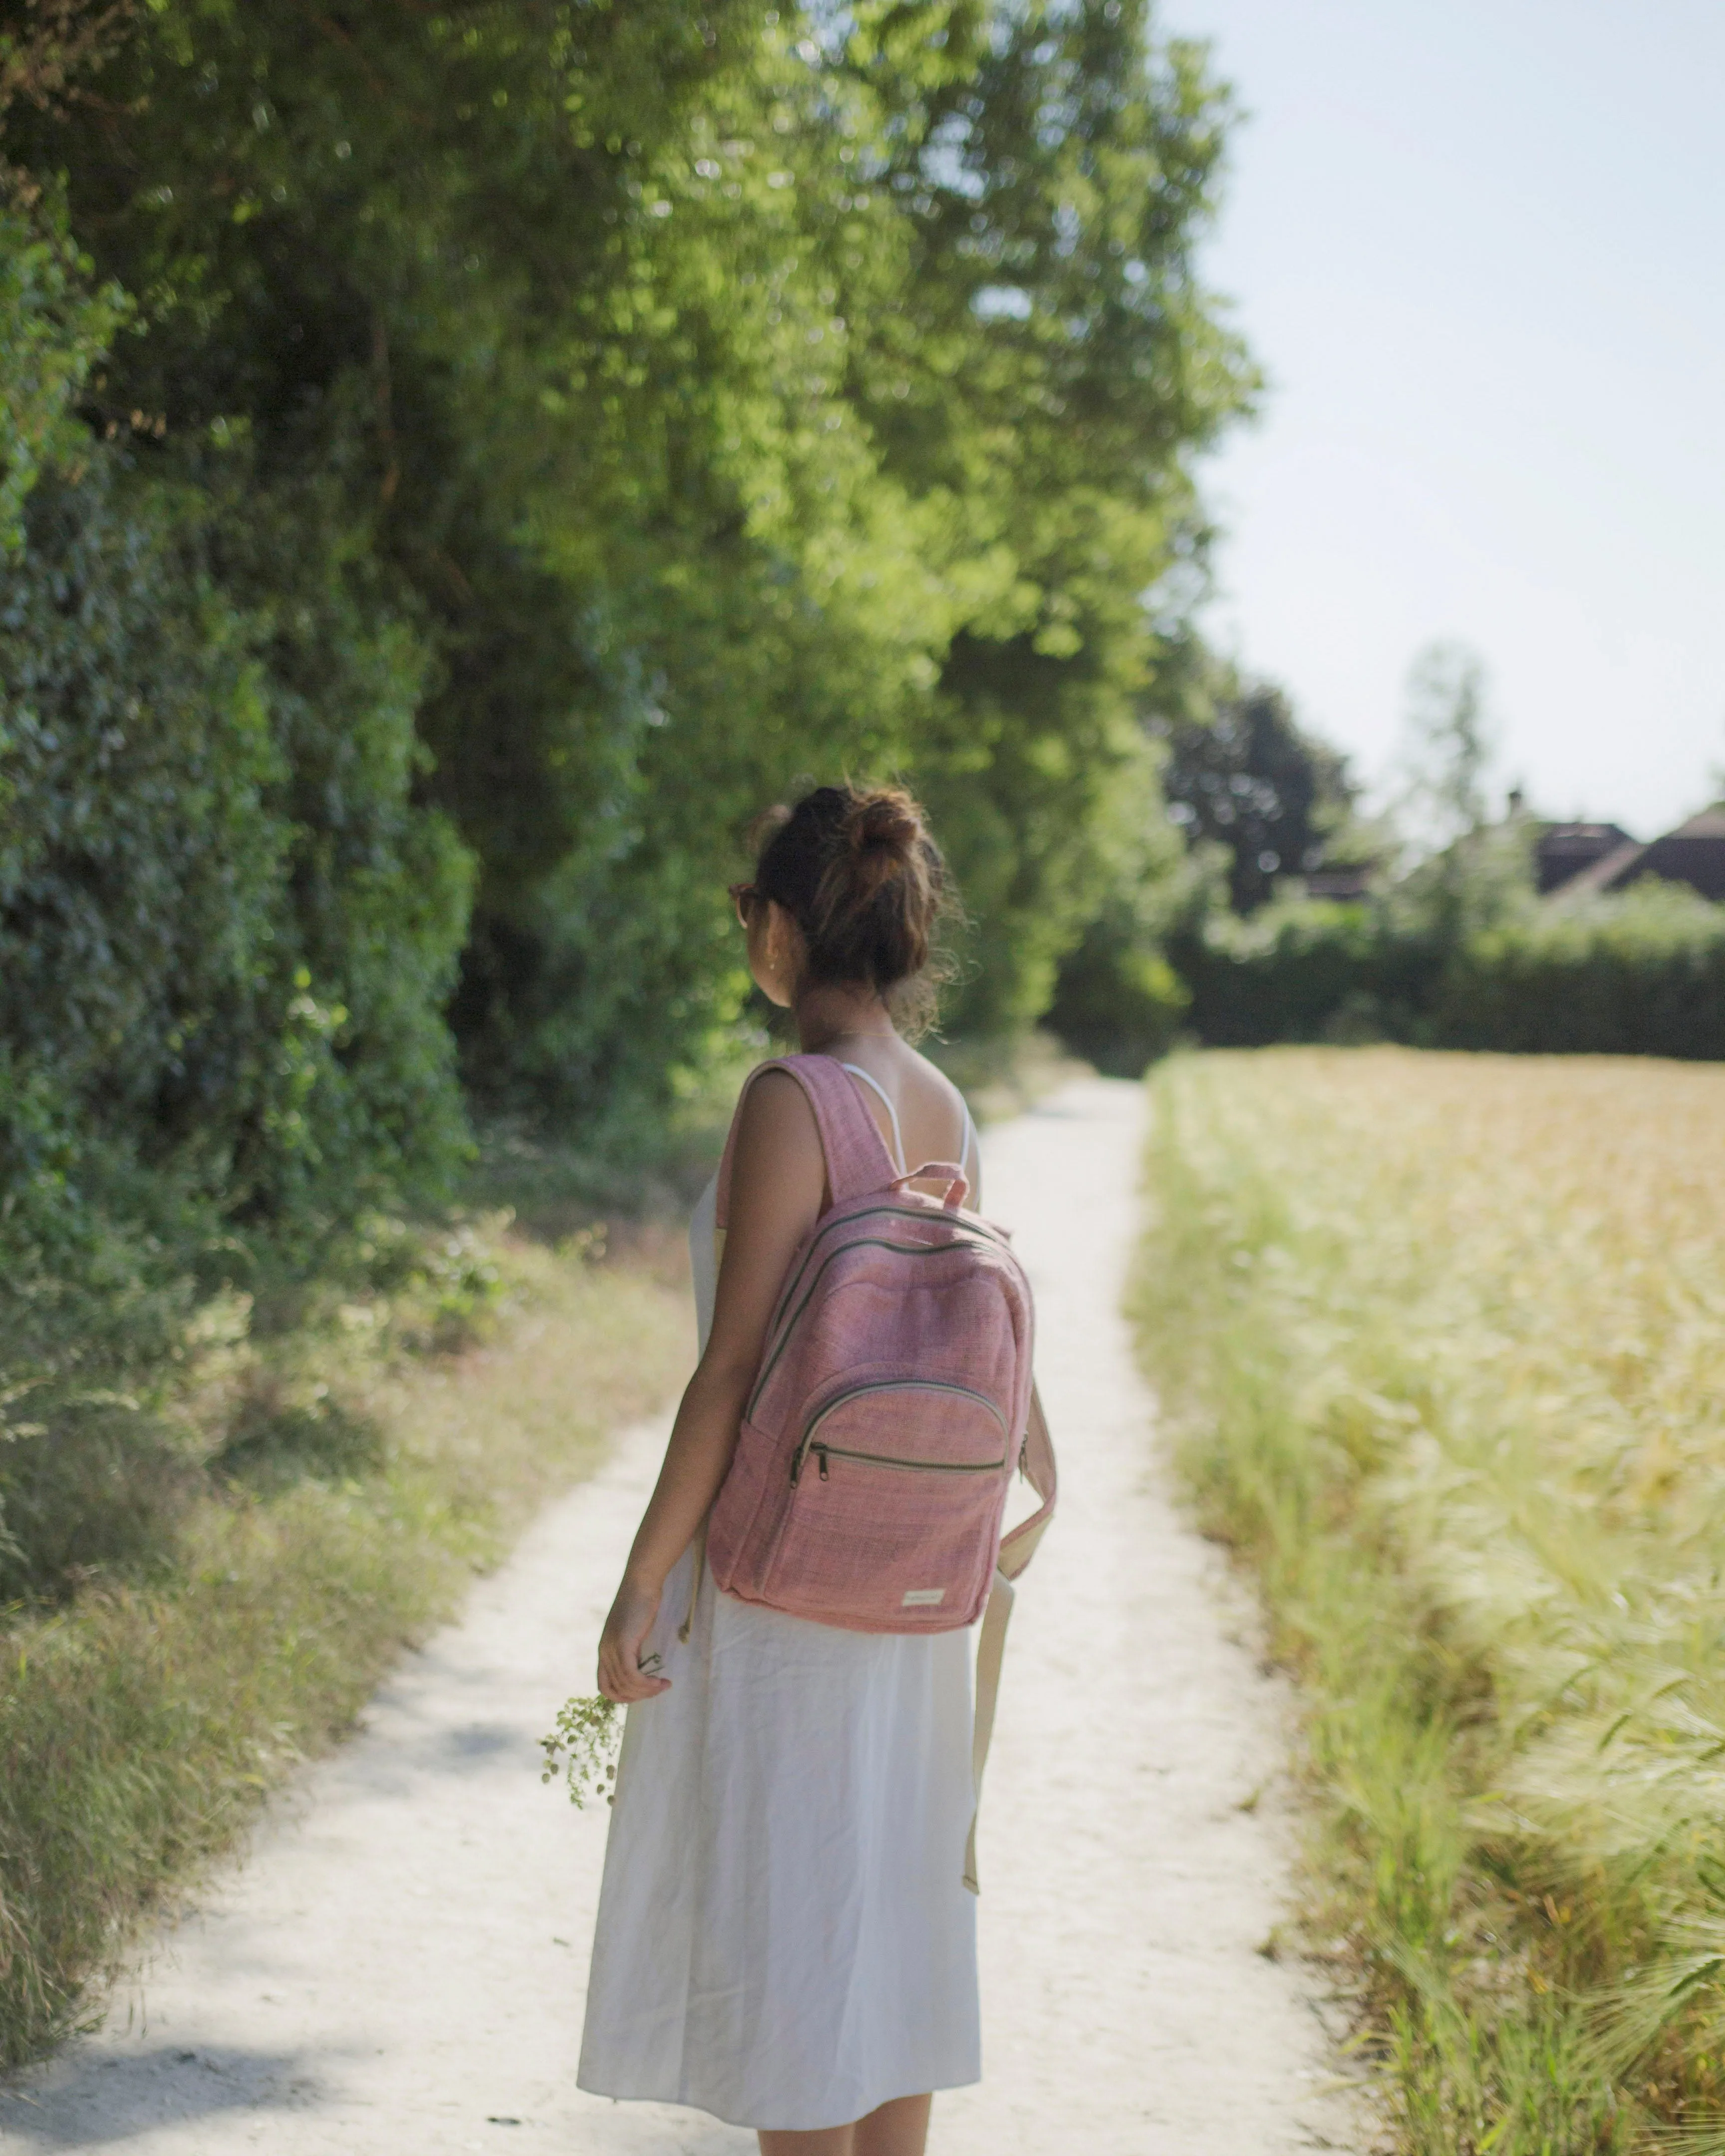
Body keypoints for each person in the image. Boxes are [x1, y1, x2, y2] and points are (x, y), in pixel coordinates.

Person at [577, 783, 984, 2156]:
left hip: (781, 1587)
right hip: (911, 1592)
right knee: (887, 1931)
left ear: (778, 931)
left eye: (747, 911)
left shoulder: (792, 1099)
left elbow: (731, 1373)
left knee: (794, 1944)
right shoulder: (943, 1102)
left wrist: (640, 1585)